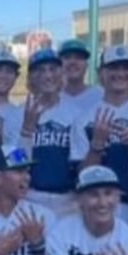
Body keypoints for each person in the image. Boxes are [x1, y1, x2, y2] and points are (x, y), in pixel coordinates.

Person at [78, 44, 128, 230]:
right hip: (101, 207)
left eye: (126, 68)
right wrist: (97, 145)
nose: (120, 73)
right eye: (113, 68)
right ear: (101, 73)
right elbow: (81, 173)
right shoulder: (84, 119)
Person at [21, 48, 84, 216]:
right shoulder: (18, 113)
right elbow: (14, 163)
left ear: (61, 73)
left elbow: (80, 161)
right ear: (30, 78)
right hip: (30, 197)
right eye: (40, 70)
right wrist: (26, 131)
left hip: (68, 199)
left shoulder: (76, 112)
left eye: (52, 69)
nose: (47, 76)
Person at [57, 39, 104, 110]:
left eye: (78, 57)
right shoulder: (51, 99)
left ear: (86, 65)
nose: (73, 62)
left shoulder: (102, 95)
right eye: (67, 57)